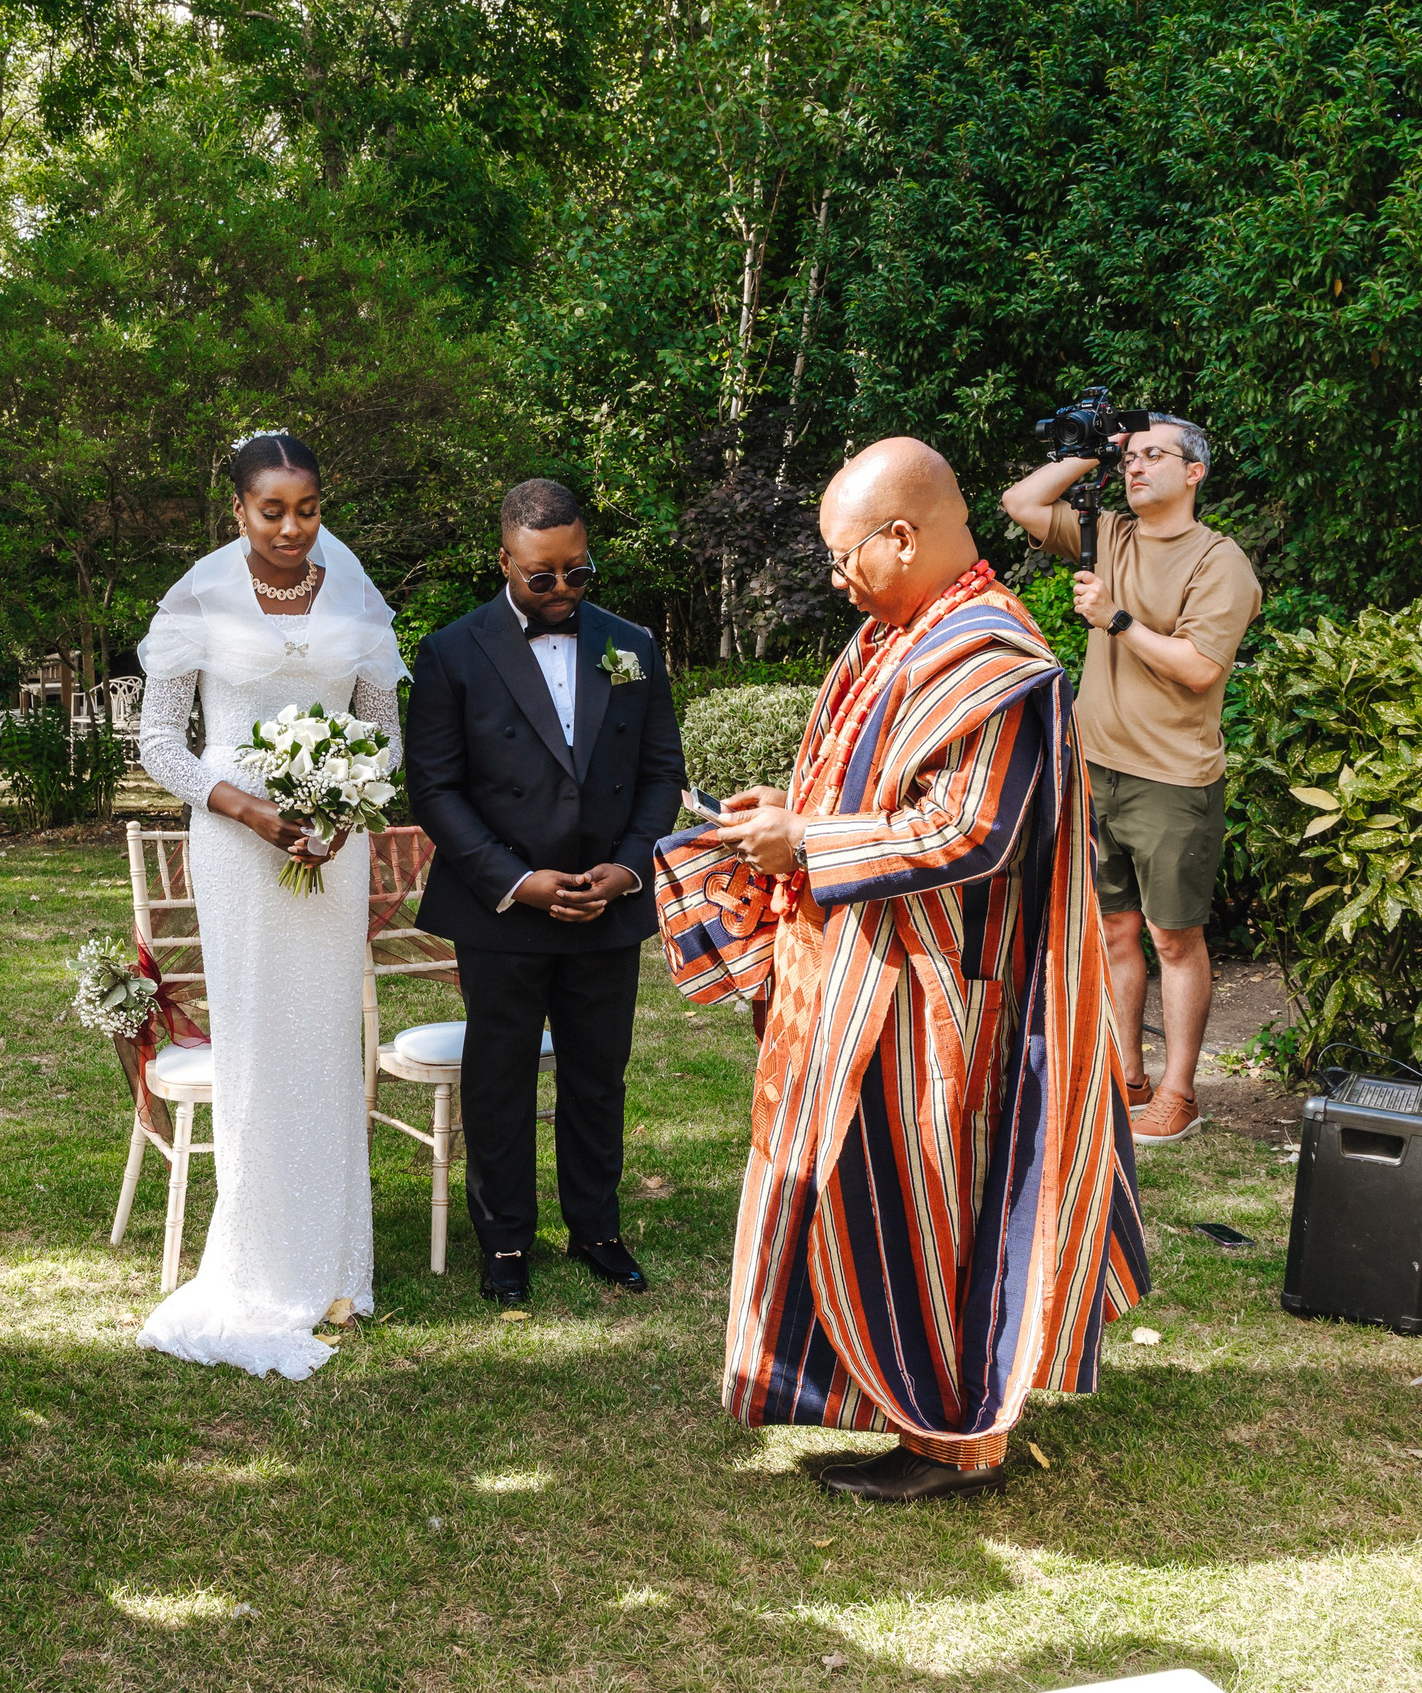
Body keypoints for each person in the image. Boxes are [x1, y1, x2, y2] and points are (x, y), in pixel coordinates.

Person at [704, 438, 1147, 1502]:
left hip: (936, 996)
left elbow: (971, 829)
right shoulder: (895, 636)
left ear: (901, 537)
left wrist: (804, 845)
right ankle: (880, 1400)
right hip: (863, 978)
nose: (836, 576)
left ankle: (952, 1442)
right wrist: (786, 815)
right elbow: (856, 786)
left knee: (926, 1213)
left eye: (845, 554)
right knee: (856, 1201)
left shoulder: (991, 659)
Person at [130, 431, 405, 1377]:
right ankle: (256, 1263)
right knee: (254, 1036)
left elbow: (384, 731)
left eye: (309, 508)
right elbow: (159, 740)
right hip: (237, 846)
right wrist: (244, 804)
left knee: (326, 1036)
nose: (293, 528)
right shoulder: (196, 597)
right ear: (239, 511)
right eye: (271, 510)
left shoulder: (357, 593)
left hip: (333, 844)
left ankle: (335, 1268)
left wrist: (344, 803)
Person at [404, 479, 685, 1305]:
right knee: (499, 1076)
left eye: (577, 572)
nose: (562, 590)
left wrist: (629, 868)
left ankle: (597, 1228)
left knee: (600, 1074)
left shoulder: (630, 643)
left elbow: (660, 769)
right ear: (505, 562)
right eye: (542, 577)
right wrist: (517, 880)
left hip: (607, 897)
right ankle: (504, 1243)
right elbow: (436, 788)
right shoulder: (452, 652)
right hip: (503, 906)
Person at [999, 418, 1261, 1144]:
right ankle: (1126, 1074)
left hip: (1172, 778)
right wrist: (1088, 451)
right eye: (1130, 457)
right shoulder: (1106, 533)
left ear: (1195, 473)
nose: (1136, 467)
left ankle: (1179, 1093)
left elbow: (1201, 667)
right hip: (1094, 765)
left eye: (1154, 456)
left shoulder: (1220, 562)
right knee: (1114, 930)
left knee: (1172, 938)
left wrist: (1115, 619)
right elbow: (1020, 502)